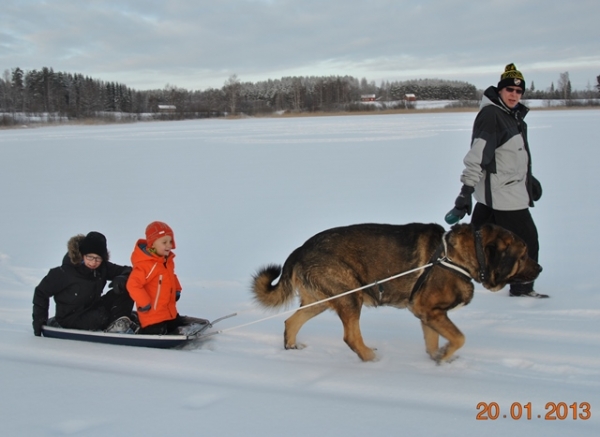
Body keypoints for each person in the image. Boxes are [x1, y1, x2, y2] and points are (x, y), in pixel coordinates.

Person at [446, 63, 547, 298]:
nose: (514, 95)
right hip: (505, 197)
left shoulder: (510, 115)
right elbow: (478, 156)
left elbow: (508, 156)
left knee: (470, 241)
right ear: (500, 90)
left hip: (496, 194)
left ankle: (453, 278)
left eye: (518, 91)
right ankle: (522, 289)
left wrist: (527, 180)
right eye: (509, 90)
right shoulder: (492, 116)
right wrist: (465, 192)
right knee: (527, 243)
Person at [32, 231, 135, 336]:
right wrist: (39, 321)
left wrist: (122, 277)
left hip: (93, 309)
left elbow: (129, 271)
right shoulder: (64, 272)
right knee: (101, 316)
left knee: (129, 286)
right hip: (71, 319)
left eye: (98, 258)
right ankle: (118, 323)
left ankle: (120, 322)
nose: (93, 262)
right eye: (90, 257)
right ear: (82, 255)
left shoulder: (102, 267)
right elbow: (41, 292)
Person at [126, 221, 202, 335]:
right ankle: (142, 330)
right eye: (164, 242)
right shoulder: (146, 265)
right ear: (152, 244)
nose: (169, 245)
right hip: (152, 315)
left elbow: (171, 276)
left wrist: (177, 289)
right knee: (157, 331)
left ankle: (175, 327)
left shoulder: (165, 260)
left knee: (175, 325)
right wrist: (144, 302)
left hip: (168, 311)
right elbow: (133, 284)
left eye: (170, 241)